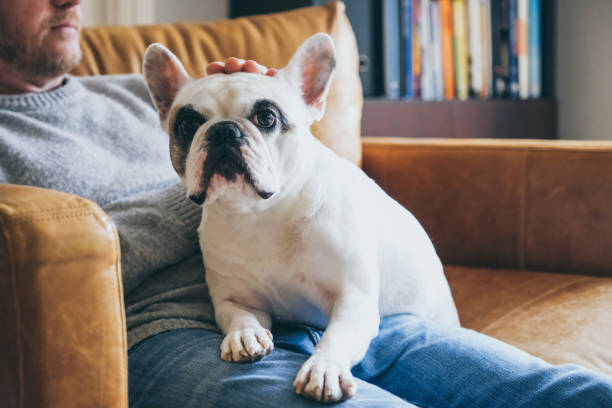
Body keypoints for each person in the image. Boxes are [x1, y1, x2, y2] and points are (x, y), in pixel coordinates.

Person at [1, 1, 611, 407]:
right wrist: (225, 183)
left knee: (553, 390)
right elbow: (32, 273)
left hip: (330, 303)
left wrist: (262, 126)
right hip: (165, 332)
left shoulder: (152, 94)